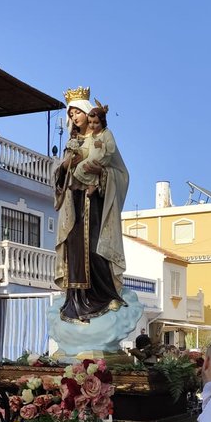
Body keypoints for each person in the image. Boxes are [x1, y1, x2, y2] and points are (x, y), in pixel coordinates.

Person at [54, 92, 129, 324]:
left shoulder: (103, 137)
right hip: (74, 203)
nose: (74, 117)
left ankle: (106, 296)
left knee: (96, 250)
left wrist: (102, 173)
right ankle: (76, 305)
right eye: (71, 114)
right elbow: (60, 176)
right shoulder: (73, 142)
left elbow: (122, 174)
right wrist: (66, 165)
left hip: (96, 205)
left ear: (88, 113)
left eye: (77, 112)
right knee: (75, 253)